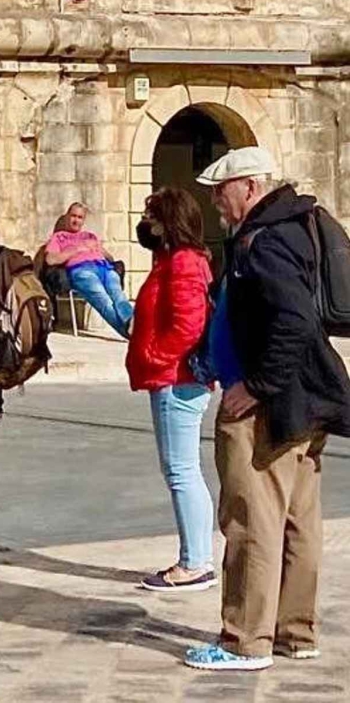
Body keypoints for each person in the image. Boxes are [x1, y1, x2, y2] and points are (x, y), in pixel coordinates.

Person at [184, 147, 350, 671]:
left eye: (221, 189)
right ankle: (294, 632)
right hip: (305, 401)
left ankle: (245, 640)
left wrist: (256, 385)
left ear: (251, 187)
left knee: (252, 519)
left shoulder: (266, 239)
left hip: (269, 408)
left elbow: (296, 321)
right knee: (299, 520)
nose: (215, 201)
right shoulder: (293, 225)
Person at [126, 187, 216, 592]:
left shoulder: (182, 264)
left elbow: (188, 325)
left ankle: (194, 562)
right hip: (171, 377)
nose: (147, 224)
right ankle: (197, 557)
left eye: (153, 216)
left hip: (176, 380)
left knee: (182, 471)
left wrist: (153, 355)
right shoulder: (173, 261)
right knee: (181, 469)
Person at [43, 202, 133, 337]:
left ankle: (135, 326)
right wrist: (76, 250)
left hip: (104, 268)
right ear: (68, 216)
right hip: (82, 271)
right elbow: (50, 259)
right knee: (104, 301)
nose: (76, 220)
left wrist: (98, 248)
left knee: (119, 297)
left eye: (80, 217)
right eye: (73, 216)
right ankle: (133, 334)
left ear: (83, 220)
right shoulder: (59, 237)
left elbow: (110, 258)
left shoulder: (90, 236)